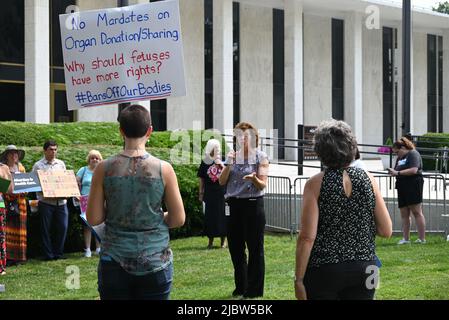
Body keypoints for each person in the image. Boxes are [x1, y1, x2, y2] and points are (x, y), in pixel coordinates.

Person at [87, 104, 185, 300]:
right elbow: (177, 219)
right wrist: (156, 217)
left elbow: (94, 217)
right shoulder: (163, 169)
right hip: (155, 261)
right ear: (150, 130)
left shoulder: (103, 168)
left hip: (114, 260)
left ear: (121, 131)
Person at [295, 119, 392, 300]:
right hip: (368, 269)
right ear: (352, 146)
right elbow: (386, 230)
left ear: (320, 151)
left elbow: (307, 237)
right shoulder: (369, 179)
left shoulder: (314, 184)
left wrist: (299, 279)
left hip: (324, 268)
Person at [219, 122, 269, 299]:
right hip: (233, 205)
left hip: (253, 204)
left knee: (255, 248)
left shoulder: (261, 157)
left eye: (245, 136)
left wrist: (254, 179)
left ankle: (254, 290)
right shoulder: (232, 156)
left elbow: (263, 184)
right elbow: (221, 181)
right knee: (235, 248)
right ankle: (241, 286)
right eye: (239, 136)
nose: (242, 139)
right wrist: (229, 164)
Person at [32, 140, 68, 261]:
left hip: (61, 202)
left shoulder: (61, 164)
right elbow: (34, 183)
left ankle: (58, 253)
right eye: (51, 149)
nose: (53, 152)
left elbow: (65, 181)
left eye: (55, 149)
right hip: (46, 202)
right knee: (45, 229)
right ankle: (48, 255)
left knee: (62, 227)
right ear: (45, 150)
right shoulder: (38, 165)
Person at [388, 137, 426, 244]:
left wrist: (398, 173)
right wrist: (393, 172)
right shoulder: (400, 158)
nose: (397, 155)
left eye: (397, 152)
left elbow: (414, 170)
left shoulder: (413, 154)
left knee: (416, 212)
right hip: (402, 185)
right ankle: (405, 238)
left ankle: (421, 239)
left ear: (403, 147)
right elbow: (397, 170)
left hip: (413, 184)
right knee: (404, 213)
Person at [0, 145, 28, 265]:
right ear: (6, 155)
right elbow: (4, 186)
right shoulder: (4, 169)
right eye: (11, 153)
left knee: (20, 230)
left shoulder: (21, 168)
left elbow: (27, 183)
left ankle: (19, 257)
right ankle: (9, 257)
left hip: (21, 203)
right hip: (7, 202)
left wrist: (26, 190)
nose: (14, 155)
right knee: (8, 230)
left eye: (15, 153)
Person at [198, 139, 227, 249]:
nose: (216, 150)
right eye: (214, 148)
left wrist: (221, 165)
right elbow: (201, 178)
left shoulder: (223, 159)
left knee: (222, 216)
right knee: (210, 217)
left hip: (221, 192)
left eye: (217, 148)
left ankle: (223, 241)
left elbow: (228, 173)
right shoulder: (205, 161)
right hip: (209, 193)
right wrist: (200, 193)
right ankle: (210, 241)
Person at [76, 150, 103, 258]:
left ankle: (98, 248)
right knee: (87, 226)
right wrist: (77, 194)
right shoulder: (83, 170)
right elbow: (76, 182)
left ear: (100, 160)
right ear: (89, 159)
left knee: (98, 224)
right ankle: (87, 249)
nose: (94, 160)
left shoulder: (101, 171)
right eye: (92, 158)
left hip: (99, 200)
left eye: (97, 158)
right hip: (85, 201)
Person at [0, 164, 13, 275]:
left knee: (1, 236)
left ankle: (0, 266)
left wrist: (8, 174)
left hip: (0, 206)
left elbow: (9, 190)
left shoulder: (3, 168)